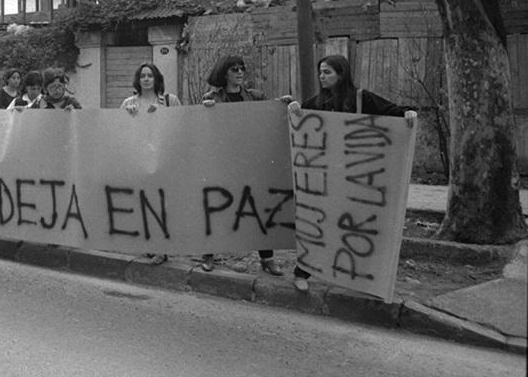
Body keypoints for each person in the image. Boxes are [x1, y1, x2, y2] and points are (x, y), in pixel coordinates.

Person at [287, 54, 417, 292]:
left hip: (356, 178)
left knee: (356, 227)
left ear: (341, 74)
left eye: (327, 72)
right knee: (320, 225)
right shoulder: (316, 103)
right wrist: (294, 107)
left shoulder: (361, 99)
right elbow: (299, 121)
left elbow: (393, 112)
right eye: (320, 72)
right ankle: (302, 271)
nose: (322, 77)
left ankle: (360, 278)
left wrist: (408, 114)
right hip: (326, 178)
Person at [199, 55, 289, 276]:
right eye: (234, 69)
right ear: (224, 73)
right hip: (224, 161)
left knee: (258, 208)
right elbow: (205, 129)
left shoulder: (256, 96)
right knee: (218, 208)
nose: (239, 73)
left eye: (242, 69)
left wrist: (281, 104)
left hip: (251, 161)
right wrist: (206, 111)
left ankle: (267, 259)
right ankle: (208, 254)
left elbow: (267, 118)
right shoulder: (212, 98)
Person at [120, 63, 181, 265]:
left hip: (163, 159)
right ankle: (148, 244)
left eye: (150, 75)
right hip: (138, 159)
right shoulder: (129, 102)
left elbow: (180, 125)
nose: (146, 79)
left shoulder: (170, 101)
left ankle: (161, 249)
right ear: (138, 80)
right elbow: (119, 129)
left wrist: (162, 113)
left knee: (161, 204)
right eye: (143, 76)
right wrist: (127, 116)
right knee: (143, 202)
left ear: (157, 79)